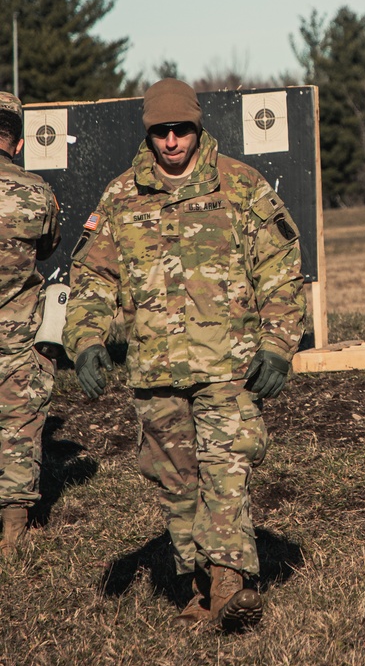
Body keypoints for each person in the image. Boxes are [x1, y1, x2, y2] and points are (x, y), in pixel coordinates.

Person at [64, 79, 305, 628]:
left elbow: (280, 268)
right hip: (155, 371)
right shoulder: (121, 197)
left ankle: (229, 584)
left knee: (227, 470)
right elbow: (93, 278)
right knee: (177, 484)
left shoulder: (240, 186)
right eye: (160, 132)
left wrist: (277, 345)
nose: (171, 141)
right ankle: (198, 586)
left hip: (229, 366)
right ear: (148, 134)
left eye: (180, 130)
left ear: (197, 127)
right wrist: (87, 342)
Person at [0, 92, 60, 557]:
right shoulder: (38, 193)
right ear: (18, 144)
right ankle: (14, 531)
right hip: (17, 332)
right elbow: (47, 247)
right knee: (18, 421)